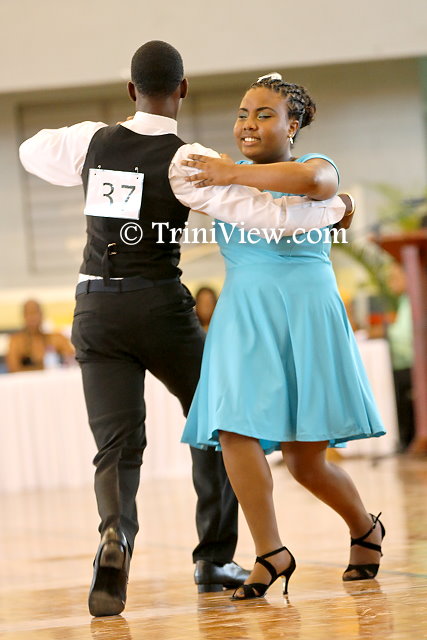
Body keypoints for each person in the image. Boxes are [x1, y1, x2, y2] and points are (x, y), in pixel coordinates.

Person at [19, 42, 352, 617]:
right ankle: (214, 558)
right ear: (183, 90)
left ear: (131, 90)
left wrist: (91, 161)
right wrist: (335, 209)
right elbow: (269, 217)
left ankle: (115, 534)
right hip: (160, 308)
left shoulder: (89, 141)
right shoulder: (187, 160)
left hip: (94, 309)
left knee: (116, 445)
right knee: (219, 420)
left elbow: (30, 151)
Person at [182, 74, 386, 600]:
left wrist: (231, 171)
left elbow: (317, 182)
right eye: (242, 114)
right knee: (232, 427)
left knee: (305, 462)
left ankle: (364, 528)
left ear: (292, 125)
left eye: (264, 114)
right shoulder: (221, 181)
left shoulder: (315, 165)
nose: (248, 124)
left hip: (307, 312)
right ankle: (270, 551)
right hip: (244, 312)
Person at [386, 261, 414, 451]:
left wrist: (384, 332)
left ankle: (406, 438)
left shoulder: (411, 299)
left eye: (395, 278)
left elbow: (404, 337)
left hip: (411, 363)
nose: (391, 283)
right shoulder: (405, 300)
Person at [6, 299, 74, 373]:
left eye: (35, 313)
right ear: (24, 316)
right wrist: (45, 368)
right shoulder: (16, 341)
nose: (33, 318)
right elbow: (13, 368)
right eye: (29, 313)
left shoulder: (57, 338)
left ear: (42, 315)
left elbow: (72, 361)